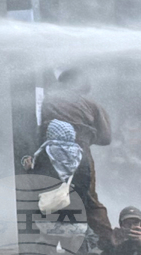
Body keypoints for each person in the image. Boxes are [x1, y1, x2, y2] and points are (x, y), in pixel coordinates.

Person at [41, 68, 113, 250]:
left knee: (55, 200)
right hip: (81, 157)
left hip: (51, 158)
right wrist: (85, 136)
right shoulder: (91, 105)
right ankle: (108, 245)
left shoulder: (49, 101)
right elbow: (106, 138)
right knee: (89, 202)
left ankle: (56, 246)